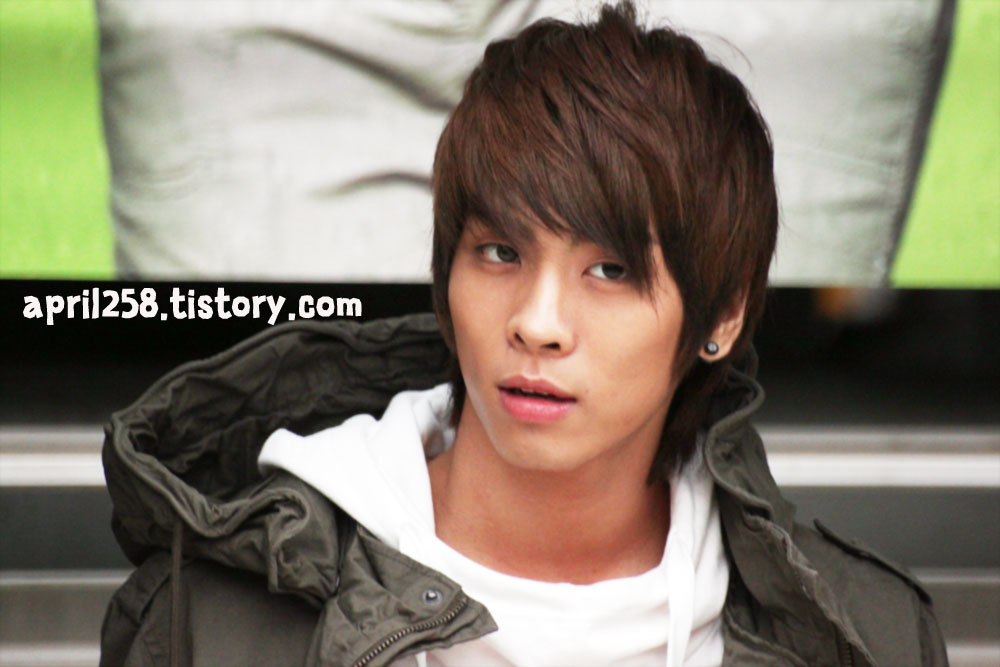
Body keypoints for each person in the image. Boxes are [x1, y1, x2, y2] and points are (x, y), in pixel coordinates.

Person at [100, 3, 947, 665]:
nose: (537, 324)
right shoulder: (213, 620)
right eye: (500, 253)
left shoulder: (866, 636)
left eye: (610, 270)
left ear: (722, 316)